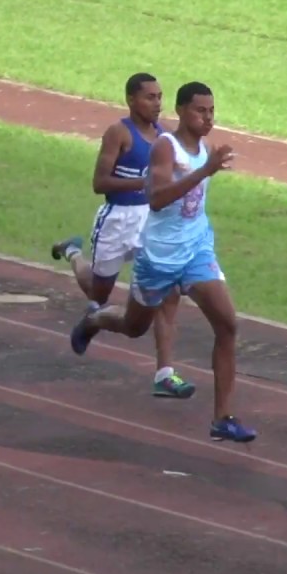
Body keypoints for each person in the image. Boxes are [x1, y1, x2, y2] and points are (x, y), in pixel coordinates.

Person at [68, 81, 255, 442]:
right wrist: (204, 171)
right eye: (200, 110)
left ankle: (223, 419)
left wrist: (206, 168)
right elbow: (155, 199)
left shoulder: (204, 150)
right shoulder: (165, 147)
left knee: (228, 325)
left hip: (196, 252)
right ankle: (95, 319)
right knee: (133, 325)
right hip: (159, 258)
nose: (208, 118)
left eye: (212, 111)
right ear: (182, 111)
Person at [50, 72, 192, 400]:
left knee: (166, 293)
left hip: (148, 222)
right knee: (98, 292)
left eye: (159, 97)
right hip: (117, 220)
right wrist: (143, 183)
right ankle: (73, 252)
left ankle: (165, 373)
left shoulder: (164, 138)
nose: (157, 103)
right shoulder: (119, 133)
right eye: (150, 97)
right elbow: (99, 183)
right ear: (131, 100)